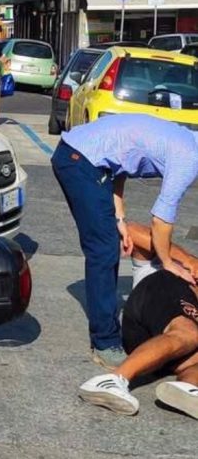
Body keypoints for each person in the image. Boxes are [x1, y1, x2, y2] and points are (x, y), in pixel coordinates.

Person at [52, 114, 198, 370]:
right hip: (79, 160)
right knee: (104, 249)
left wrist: (119, 217)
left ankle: (105, 333)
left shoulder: (187, 141)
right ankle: (104, 341)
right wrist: (168, 262)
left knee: (109, 238)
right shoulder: (189, 159)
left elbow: (119, 167)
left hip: (85, 158)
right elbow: (161, 219)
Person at [79, 222, 198, 419]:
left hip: (153, 346)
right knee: (190, 333)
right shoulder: (174, 262)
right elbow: (131, 230)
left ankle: (187, 389)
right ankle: (112, 380)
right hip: (159, 292)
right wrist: (188, 259)